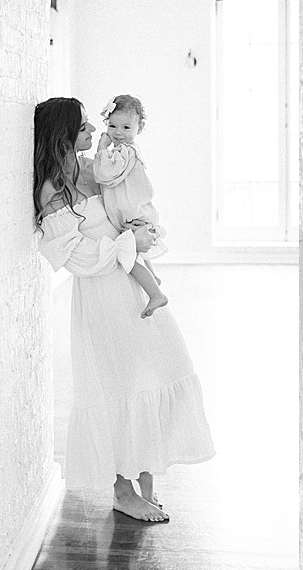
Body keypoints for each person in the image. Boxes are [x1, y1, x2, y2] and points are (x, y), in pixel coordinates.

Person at [33, 97, 215, 522]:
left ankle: (145, 472)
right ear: (63, 134)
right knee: (114, 385)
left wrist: (141, 230)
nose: (95, 132)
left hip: (128, 282)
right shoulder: (52, 191)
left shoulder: (89, 171)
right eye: (84, 127)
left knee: (157, 368)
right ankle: (121, 489)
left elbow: (126, 204)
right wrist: (127, 245)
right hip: (101, 294)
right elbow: (75, 258)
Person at [94, 94, 169, 319]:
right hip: (134, 213)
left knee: (129, 257)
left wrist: (101, 148)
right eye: (113, 125)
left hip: (133, 214)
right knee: (135, 252)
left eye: (126, 127)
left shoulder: (125, 152)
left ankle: (155, 293)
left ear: (140, 127)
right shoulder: (124, 151)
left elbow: (104, 174)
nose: (118, 133)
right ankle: (153, 277)